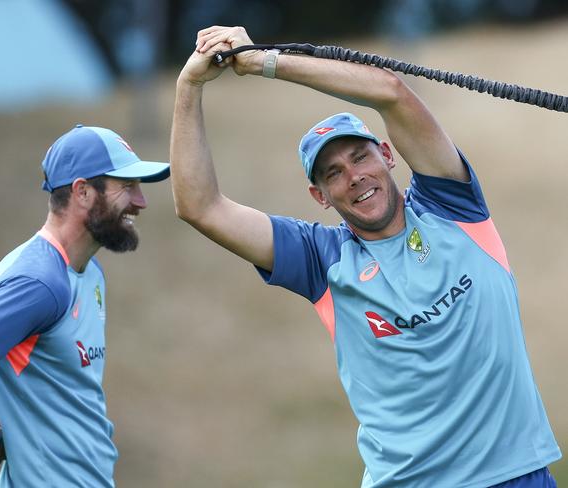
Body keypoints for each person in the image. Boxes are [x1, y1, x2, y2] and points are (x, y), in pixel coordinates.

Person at [170, 26, 561, 487]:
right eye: (334, 173)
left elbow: (390, 92)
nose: (354, 176)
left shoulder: (452, 205)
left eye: (360, 157)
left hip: (516, 474)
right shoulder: (320, 259)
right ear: (320, 195)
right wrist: (189, 86)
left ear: (388, 155)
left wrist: (264, 61)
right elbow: (200, 206)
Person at [0, 125, 169, 487]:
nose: (140, 201)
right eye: (127, 186)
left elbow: (6, 359)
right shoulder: (40, 283)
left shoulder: (87, 273)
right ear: (83, 192)